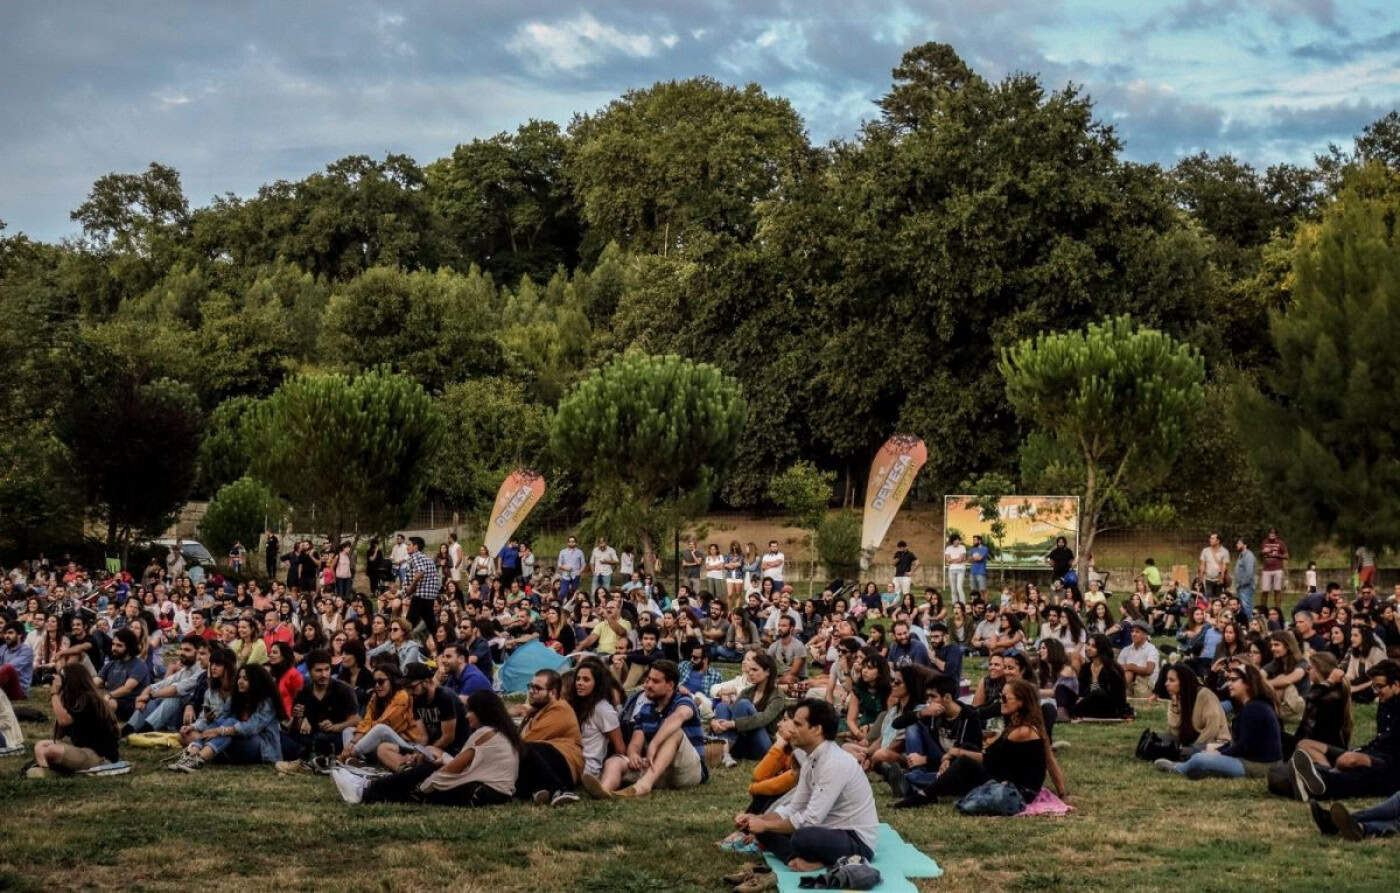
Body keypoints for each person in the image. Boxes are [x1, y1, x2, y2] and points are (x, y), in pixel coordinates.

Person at [731, 699, 879, 875]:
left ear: (817, 729)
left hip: (854, 840)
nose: (791, 729)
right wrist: (758, 819)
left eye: (798, 724)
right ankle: (795, 859)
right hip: (825, 828)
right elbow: (794, 807)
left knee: (801, 837)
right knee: (763, 826)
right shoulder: (810, 758)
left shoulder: (835, 763)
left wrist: (767, 825)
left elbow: (810, 820)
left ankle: (809, 859)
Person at [347, 689, 523, 807]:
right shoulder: (505, 732)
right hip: (497, 794)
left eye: (471, 711)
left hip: (479, 793)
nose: (467, 716)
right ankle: (369, 789)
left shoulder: (484, 732)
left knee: (423, 779)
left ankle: (367, 790)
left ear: (483, 712)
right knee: (430, 767)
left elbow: (453, 769)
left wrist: (427, 784)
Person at [584, 660, 707, 799]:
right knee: (615, 761)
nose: (648, 685)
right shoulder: (646, 710)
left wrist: (654, 744)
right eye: (648, 679)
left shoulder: (683, 701)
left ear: (670, 685)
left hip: (688, 771)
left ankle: (644, 786)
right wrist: (634, 755)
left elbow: (678, 717)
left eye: (655, 681)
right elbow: (636, 742)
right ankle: (604, 790)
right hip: (658, 771)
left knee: (675, 732)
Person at [1290, 659, 1400, 802]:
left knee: (1348, 760)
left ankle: (1318, 778)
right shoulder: (1384, 704)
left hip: (1389, 764)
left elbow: (1393, 754)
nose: (1376, 692)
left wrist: (1362, 758)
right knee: (1305, 745)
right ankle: (1318, 776)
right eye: (1374, 687)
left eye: (1380, 687)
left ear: (1396, 685)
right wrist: (1361, 751)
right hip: (1373, 752)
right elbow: (1380, 739)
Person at [1155, 663, 1281, 779]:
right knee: (1203, 753)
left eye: (1234, 680)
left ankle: (1178, 768)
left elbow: (1243, 747)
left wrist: (1219, 754)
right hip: (1254, 761)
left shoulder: (1255, 708)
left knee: (1199, 758)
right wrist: (1218, 750)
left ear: (1248, 683)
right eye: (1228, 680)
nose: (1229, 684)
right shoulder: (1253, 706)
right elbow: (1238, 743)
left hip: (1259, 766)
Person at [169, 664, 287, 772]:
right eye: (239, 678)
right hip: (238, 744)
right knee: (223, 722)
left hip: (263, 749)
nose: (240, 681)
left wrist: (221, 730)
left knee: (230, 723)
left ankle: (198, 759)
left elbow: (251, 728)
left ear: (256, 682)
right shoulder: (236, 697)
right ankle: (191, 755)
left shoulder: (267, 702)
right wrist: (195, 727)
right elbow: (220, 720)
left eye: (245, 679)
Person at [889, 673, 985, 806]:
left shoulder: (969, 718)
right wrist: (923, 713)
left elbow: (967, 757)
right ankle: (917, 777)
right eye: (928, 697)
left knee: (922, 777)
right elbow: (896, 724)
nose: (929, 701)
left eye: (933, 697)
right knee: (913, 725)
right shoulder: (933, 713)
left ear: (947, 697)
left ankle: (909, 780)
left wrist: (925, 760)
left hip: (955, 766)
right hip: (938, 761)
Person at [25, 662, 120, 778]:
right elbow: (58, 735)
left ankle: (46, 773)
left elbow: (64, 721)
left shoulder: (89, 698)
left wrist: (54, 693)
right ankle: (46, 772)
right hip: (81, 750)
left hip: (99, 756)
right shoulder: (73, 699)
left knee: (50, 750)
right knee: (40, 745)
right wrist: (61, 698)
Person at [275, 649, 360, 774]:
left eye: (327, 669)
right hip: (309, 736)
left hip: (335, 736)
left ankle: (309, 761)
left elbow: (357, 719)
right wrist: (298, 718)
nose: (324, 674)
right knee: (283, 736)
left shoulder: (343, 690)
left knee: (322, 739)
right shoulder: (304, 692)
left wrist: (336, 727)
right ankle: (308, 760)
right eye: (318, 670)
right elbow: (294, 728)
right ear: (310, 671)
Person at [517, 669, 584, 806]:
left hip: (565, 765)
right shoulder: (540, 709)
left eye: (537, 688)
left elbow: (527, 740)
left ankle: (560, 790)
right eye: (530, 686)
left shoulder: (560, 709)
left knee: (528, 748)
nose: (531, 691)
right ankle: (539, 789)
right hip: (545, 763)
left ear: (552, 693)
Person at [712, 651, 788, 764]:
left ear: (767, 672)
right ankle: (725, 751)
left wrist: (733, 724)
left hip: (763, 744)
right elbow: (733, 713)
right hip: (742, 743)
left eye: (755, 670)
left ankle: (723, 749)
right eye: (750, 669)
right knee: (722, 707)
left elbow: (763, 719)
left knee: (744, 704)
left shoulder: (777, 695)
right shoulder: (747, 692)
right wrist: (715, 722)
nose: (750, 673)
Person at [122, 633, 206, 735]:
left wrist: (150, 695)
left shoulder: (201, 670)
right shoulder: (185, 670)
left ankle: (144, 731)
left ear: (198, 654)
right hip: (173, 713)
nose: (182, 653)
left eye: (187, 650)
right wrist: (143, 697)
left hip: (190, 717)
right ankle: (128, 729)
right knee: (158, 696)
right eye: (182, 649)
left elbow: (176, 689)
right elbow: (157, 685)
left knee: (173, 697)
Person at [340, 663, 418, 765]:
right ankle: (354, 760)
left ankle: (347, 756)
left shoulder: (402, 695)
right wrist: (352, 741)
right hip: (382, 742)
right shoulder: (376, 697)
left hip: (406, 744)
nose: (377, 685)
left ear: (392, 680)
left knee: (380, 728)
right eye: (375, 682)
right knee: (348, 730)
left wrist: (354, 742)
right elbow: (366, 722)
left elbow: (385, 722)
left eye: (381, 681)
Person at [567, 657, 625, 782]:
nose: (580, 683)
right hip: (571, 756)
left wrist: (609, 768)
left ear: (597, 683)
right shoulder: (576, 704)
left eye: (586, 679)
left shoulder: (603, 709)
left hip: (586, 767)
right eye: (578, 679)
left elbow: (620, 748)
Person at [1069, 634, 1132, 720]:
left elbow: (1118, 698)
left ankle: (1071, 711)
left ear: (1102, 648)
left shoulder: (1112, 669)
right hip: (1089, 705)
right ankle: (1069, 710)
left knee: (1097, 693)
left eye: (1093, 646)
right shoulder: (1085, 668)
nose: (1088, 648)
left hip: (1110, 708)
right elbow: (1081, 691)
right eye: (1088, 644)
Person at [97, 628, 151, 722]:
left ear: (129, 647)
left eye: (119, 645)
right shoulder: (111, 664)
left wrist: (109, 695)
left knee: (108, 703)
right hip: (113, 699)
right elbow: (97, 681)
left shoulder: (139, 665)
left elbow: (127, 689)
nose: (114, 648)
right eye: (113, 644)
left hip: (131, 704)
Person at [403, 537, 442, 632]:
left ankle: (401, 643)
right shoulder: (428, 559)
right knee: (431, 625)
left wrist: (410, 588)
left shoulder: (416, 556)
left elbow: (420, 573)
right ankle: (439, 642)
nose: (407, 547)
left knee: (407, 625)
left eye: (409, 545)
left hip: (420, 596)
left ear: (415, 547)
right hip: (430, 596)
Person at [1117, 622, 1160, 699]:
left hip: (1146, 683)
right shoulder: (1126, 650)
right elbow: (1117, 668)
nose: (1133, 634)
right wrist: (1131, 669)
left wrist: (1131, 667)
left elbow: (1148, 670)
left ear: (1145, 635)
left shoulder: (1151, 649)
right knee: (1128, 673)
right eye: (1132, 631)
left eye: (1137, 632)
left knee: (1131, 672)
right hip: (1128, 681)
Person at [0, 620, 35, 701]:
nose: (7, 636)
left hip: (18, 691)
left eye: (10, 633)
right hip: (3, 687)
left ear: (19, 635)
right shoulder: (3, 648)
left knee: (9, 668)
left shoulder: (26, 651)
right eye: (5, 633)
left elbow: (12, 668)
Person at [767, 615, 806, 686]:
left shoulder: (799, 646)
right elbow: (767, 664)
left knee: (789, 679)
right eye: (779, 625)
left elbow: (794, 672)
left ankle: (773, 683)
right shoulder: (774, 646)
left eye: (784, 626)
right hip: (780, 676)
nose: (780, 628)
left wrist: (776, 680)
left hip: (796, 678)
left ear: (791, 628)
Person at [1259, 528, 1289, 613]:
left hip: (1277, 569)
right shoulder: (1264, 542)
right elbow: (1260, 554)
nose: (1271, 534)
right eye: (1270, 533)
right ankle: (1263, 610)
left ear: (1276, 535)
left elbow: (1286, 556)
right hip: (1266, 570)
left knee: (1277, 590)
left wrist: (1277, 555)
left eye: (1273, 533)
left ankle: (1277, 610)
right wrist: (1263, 552)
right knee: (1265, 591)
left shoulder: (1280, 543)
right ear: (1268, 534)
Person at [1199, 533, 1230, 601]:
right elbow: (1202, 565)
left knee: (1219, 600)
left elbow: (1224, 566)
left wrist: (1221, 578)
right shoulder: (1205, 551)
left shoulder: (1224, 552)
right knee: (1209, 600)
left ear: (1218, 541)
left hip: (1219, 580)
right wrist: (1200, 578)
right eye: (1210, 538)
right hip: (1208, 579)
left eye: (1212, 538)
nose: (1210, 540)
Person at [556, 536, 585, 600]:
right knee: (563, 592)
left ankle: (573, 607)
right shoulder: (562, 552)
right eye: (570, 542)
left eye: (573, 542)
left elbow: (583, 564)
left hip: (576, 575)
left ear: (576, 543)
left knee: (574, 593)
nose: (571, 543)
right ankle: (559, 606)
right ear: (568, 543)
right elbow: (559, 564)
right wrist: (565, 568)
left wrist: (580, 572)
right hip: (566, 575)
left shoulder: (580, 552)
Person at [943, 535, 968, 604]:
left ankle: (963, 603)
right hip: (951, 570)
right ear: (952, 541)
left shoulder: (962, 547)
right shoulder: (948, 548)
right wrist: (957, 559)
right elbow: (948, 560)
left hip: (961, 569)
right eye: (956, 540)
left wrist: (952, 560)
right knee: (953, 589)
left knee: (959, 587)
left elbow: (962, 559)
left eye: (958, 540)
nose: (957, 541)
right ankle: (954, 603)